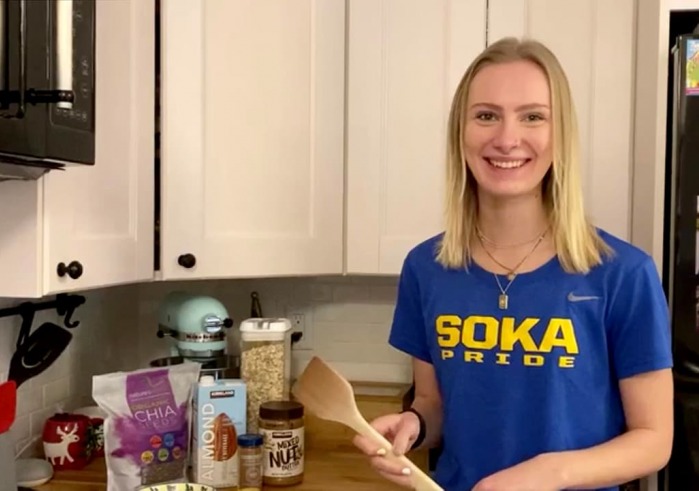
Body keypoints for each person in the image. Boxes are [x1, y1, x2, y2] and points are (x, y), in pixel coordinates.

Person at [352, 37, 674, 491]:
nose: (506, 138)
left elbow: (654, 439)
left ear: (559, 134)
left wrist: (552, 472)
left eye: (533, 116)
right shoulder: (426, 268)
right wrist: (414, 425)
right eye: (486, 115)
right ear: (460, 133)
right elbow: (433, 401)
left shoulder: (623, 274)